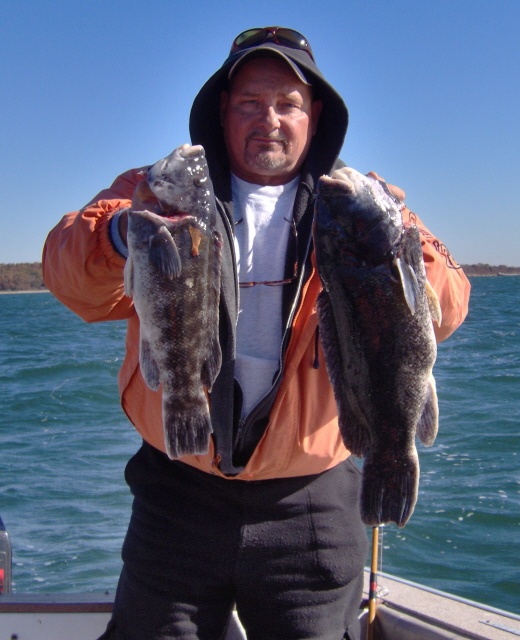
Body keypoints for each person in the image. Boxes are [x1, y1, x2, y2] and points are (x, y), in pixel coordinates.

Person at [42, 26, 471, 640]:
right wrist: (121, 233)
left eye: (287, 103)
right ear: (222, 110)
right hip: (176, 492)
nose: (268, 119)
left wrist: (403, 241)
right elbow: (68, 272)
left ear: (314, 115)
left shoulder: (357, 202)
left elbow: (447, 307)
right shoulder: (156, 190)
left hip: (315, 504)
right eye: (249, 102)